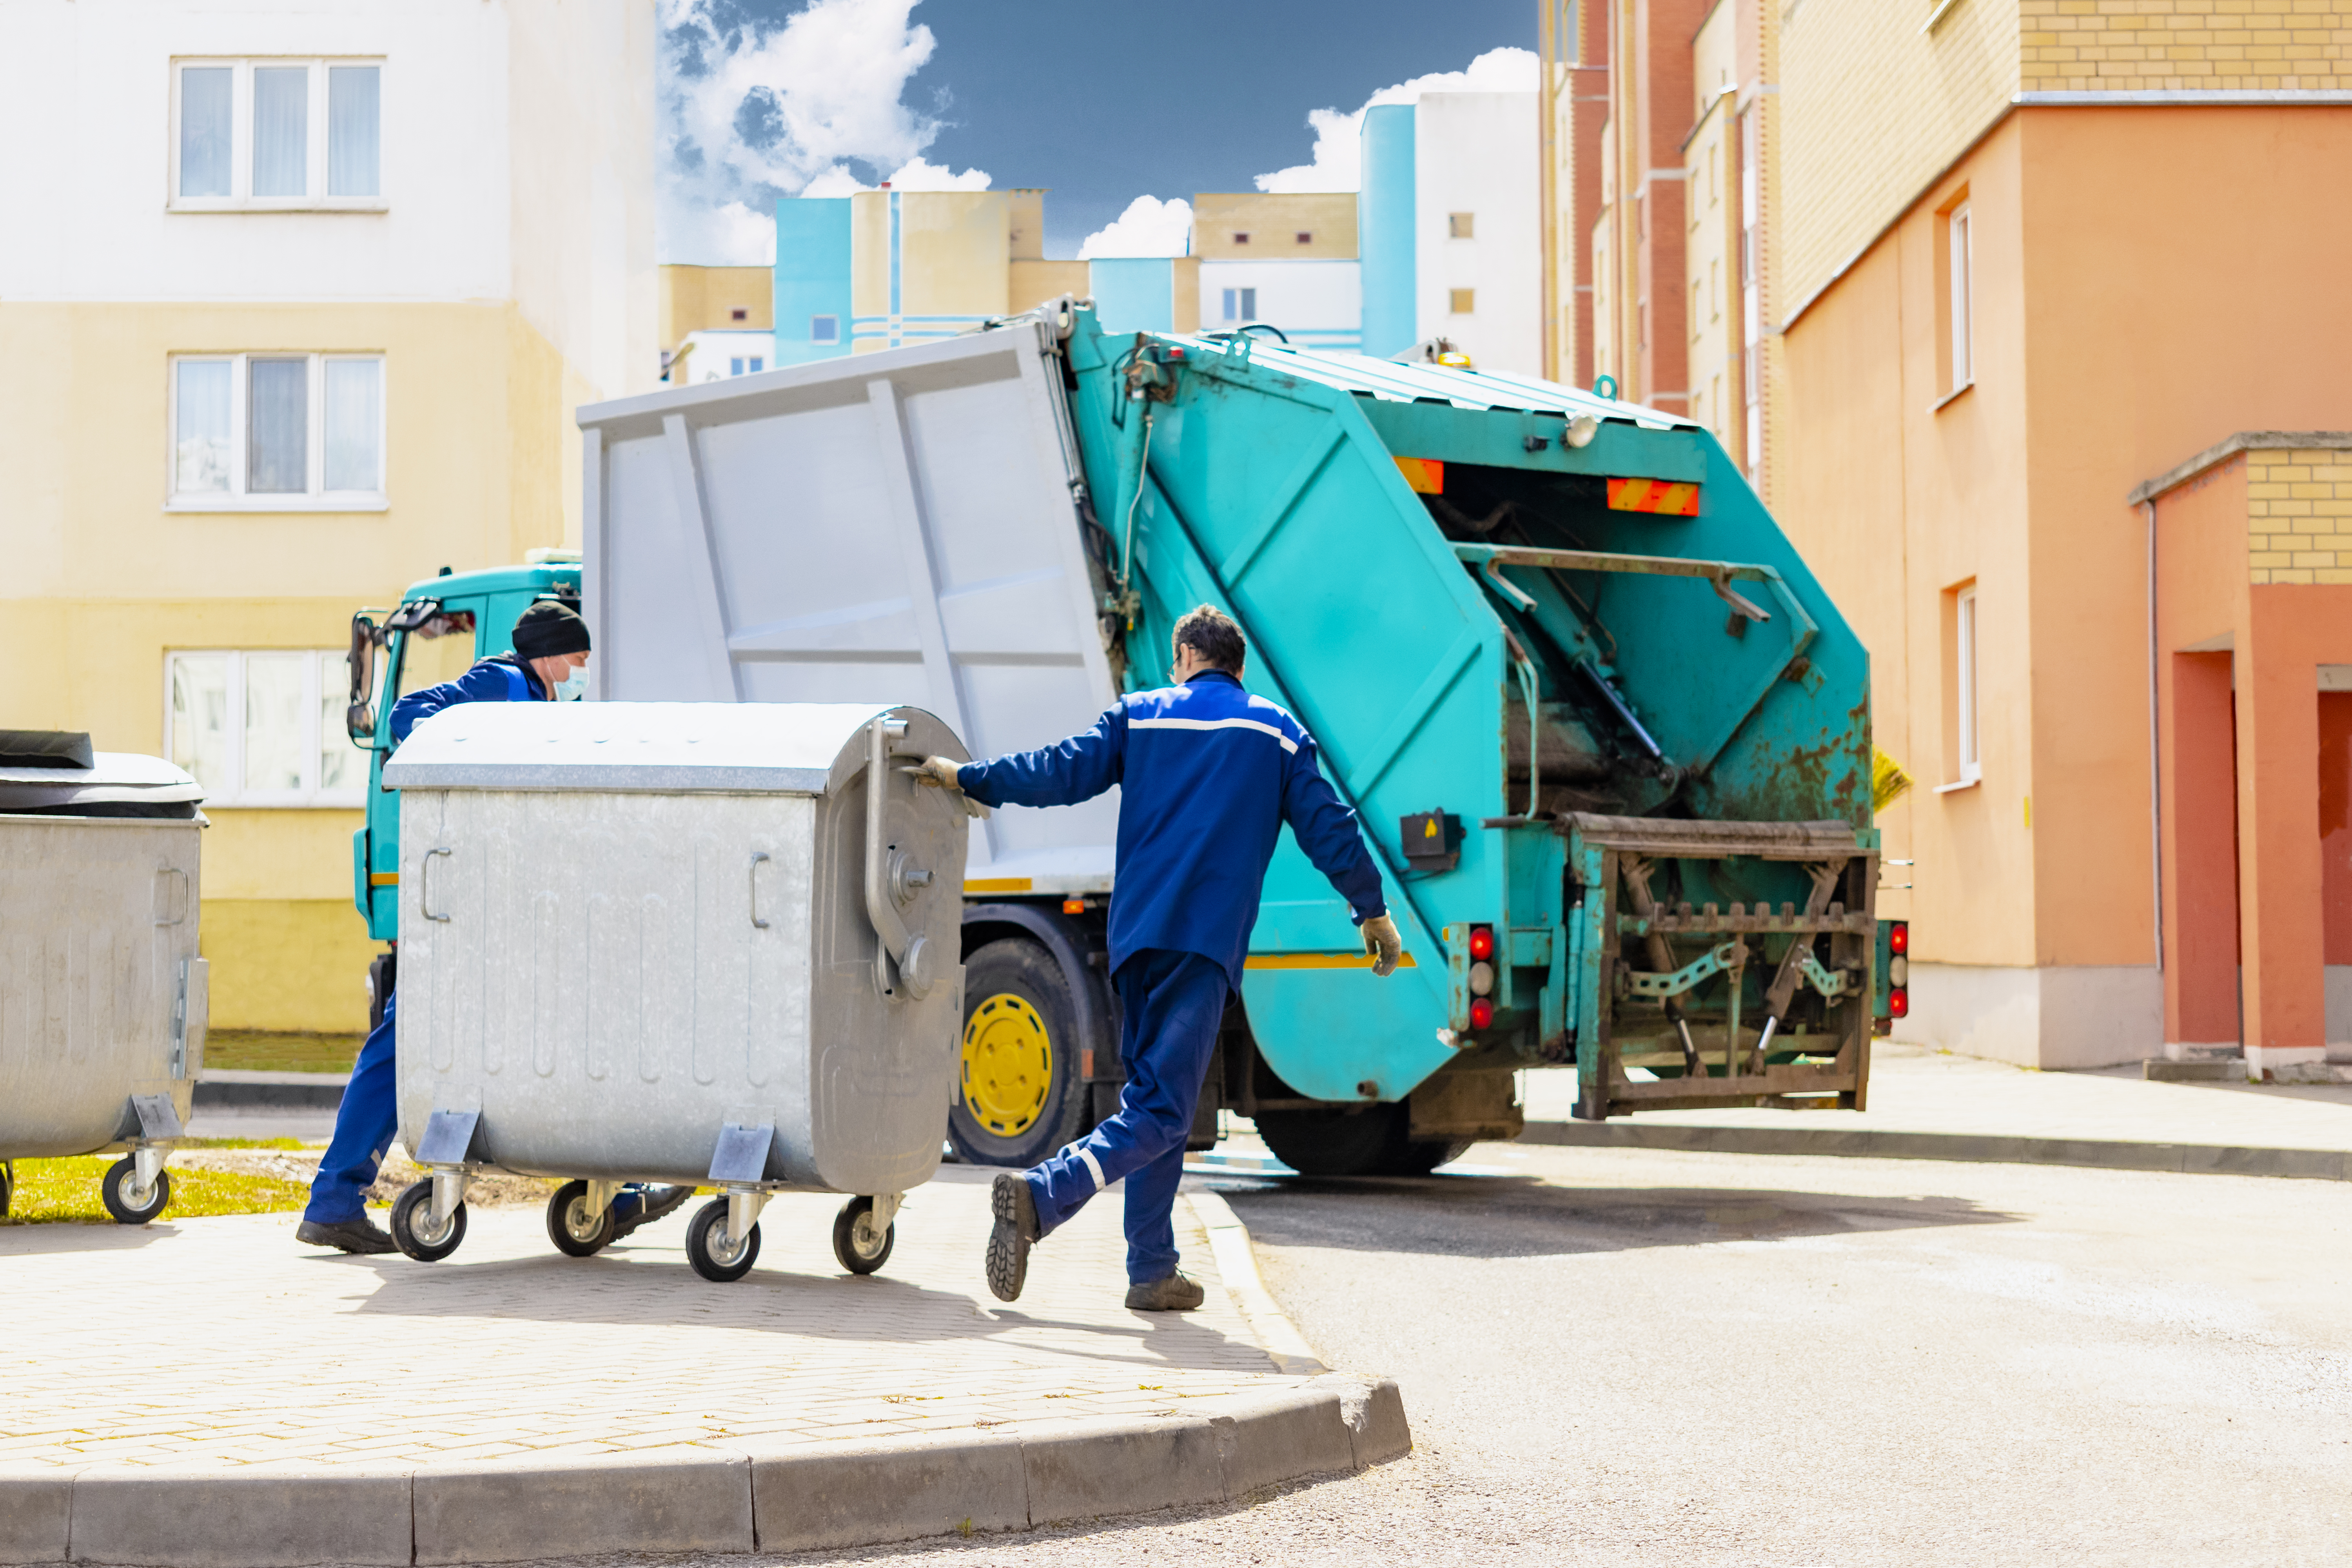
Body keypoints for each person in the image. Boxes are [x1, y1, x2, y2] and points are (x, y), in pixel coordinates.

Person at [913, 605, 1404, 1310]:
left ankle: (1151, 1268)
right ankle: (1039, 1196)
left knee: (1154, 1101)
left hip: (1135, 939)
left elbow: (1058, 771)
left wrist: (972, 780)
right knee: (1163, 1110)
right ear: (1237, 667)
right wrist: (1371, 909)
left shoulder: (1141, 715)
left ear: (1184, 658)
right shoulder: (1274, 730)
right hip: (1202, 944)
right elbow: (1330, 827)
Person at [296, 601, 692, 1253]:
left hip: (503, 908)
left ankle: (609, 1196)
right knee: (416, 1041)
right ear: (546, 651)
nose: (582, 667)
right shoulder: (501, 683)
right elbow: (405, 716)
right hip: (466, 907)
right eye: (576, 654)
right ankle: (335, 1200)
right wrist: (475, 752)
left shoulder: (539, 699)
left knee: (539, 1039)